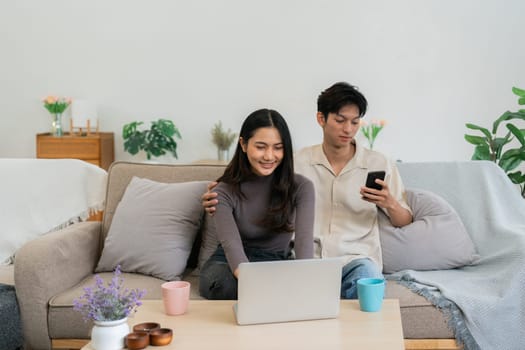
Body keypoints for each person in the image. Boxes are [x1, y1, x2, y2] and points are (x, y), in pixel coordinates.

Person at [203, 82, 413, 299]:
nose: (348, 129)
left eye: (355, 121)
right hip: (301, 258)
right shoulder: (297, 162)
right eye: (340, 120)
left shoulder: (379, 163)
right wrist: (219, 189)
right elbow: (256, 178)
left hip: (354, 260)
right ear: (321, 119)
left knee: (366, 284)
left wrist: (390, 203)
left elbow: (404, 219)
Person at [199, 108, 315, 300]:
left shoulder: (302, 187)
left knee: (296, 284)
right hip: (228, 264)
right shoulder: (223, 191)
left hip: (277, 262)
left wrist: (305, 280)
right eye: (261, 146)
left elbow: (304, 243)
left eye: (278, 147)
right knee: (226, 285)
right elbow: (232, 247)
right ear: (243, 144)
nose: (269, 156)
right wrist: (257, 286)